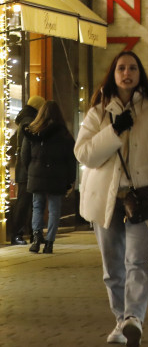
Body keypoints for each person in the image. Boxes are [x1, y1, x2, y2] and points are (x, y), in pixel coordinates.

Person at [75, 51, 148, 347]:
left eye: (133, 68)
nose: (127, 73)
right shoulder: (97, 113)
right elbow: (83, 154)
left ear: (140, 74)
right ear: (113, 74)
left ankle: (134, 318)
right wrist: (114, 131)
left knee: (137, 262)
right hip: (107, 201)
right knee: (113, 267)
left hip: (143, 201)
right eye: (121, 68)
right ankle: (120, 320)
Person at [22, 100, 78, 254]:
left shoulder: (32, 131)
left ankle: (35, 239)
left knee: (37, 206)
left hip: (37, 174)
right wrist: (70, 180)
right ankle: (49, 243)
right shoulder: (65, 134)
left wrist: (32, 171)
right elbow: (71, 160)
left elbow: (24, 156)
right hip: (57, 177)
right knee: (54, 210)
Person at [7, 95, 44, 245]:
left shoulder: (26, 120)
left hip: (26, 169)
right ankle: (17, 234)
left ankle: (27, 233)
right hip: (27, 170)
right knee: (25, 202)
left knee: (29, 202)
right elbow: (26, 149)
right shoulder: (29, 121)